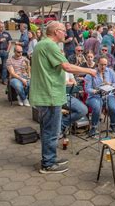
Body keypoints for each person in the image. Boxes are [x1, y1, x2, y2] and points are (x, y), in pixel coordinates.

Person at [30, 21, 96, 174]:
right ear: (56, 31)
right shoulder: (50, 45)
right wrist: (89, 70)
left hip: (46, 93)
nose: (66, 34)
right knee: (51, 131)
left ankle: (50, 159)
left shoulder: (41, 44)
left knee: (49, 129)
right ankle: (48, 164)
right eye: (63, 31)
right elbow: (67, 67)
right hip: (50, 94)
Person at [84, 56, 115, 136]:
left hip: (108, 95)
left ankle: (113, 125)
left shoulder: (110, 71)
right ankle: (93, 127)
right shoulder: (91, 73)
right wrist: (96, 91)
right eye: (101, 65)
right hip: (95, 96)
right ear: (97, 64)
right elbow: (87, 88)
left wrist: (110, 84)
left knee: (114, 108)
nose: (103, 67)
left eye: (105, 65)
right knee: (97, 107)